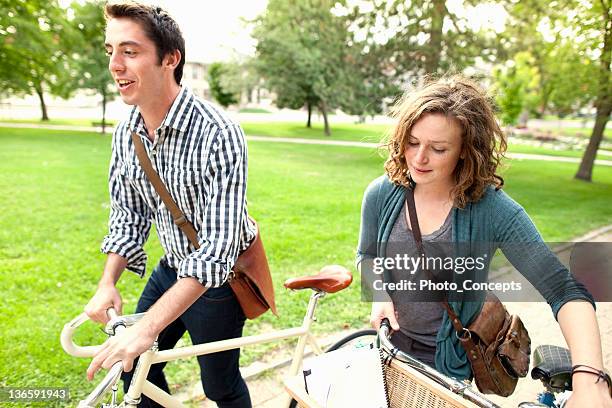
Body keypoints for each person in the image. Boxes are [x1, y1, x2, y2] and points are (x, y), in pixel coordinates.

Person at [357, 75, 612, 407]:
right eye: (412, 142)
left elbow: (563, 289)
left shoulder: (493, 210)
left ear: (465, 152)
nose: (418, 159)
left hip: (446, 367)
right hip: (389, 348)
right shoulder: (382, 193)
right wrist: (379, 293)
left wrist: (591, 380)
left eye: (438, 149)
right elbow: (367, 254)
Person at [84, 3, 254, 407]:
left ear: (170, 59)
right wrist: (108, 282)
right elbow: (127, 214)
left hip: (218, 284)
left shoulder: (220, 134)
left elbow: (216, 253)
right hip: (171, 268)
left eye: (130, 51)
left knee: (221, 387)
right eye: (110, 51)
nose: (115, 65)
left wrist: (147, 327)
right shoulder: (128, 131)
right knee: (135, 368)